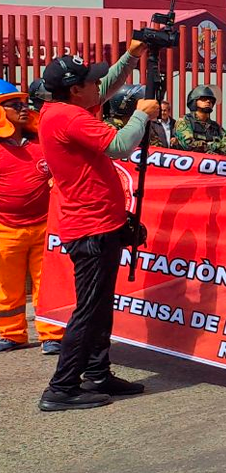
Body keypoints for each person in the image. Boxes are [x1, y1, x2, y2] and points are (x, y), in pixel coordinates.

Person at [38, 47, 159, 411]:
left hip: (101, 223)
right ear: (76, 90)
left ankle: (96, 372)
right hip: (90, 228)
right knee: (89, 308)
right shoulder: (70, 119)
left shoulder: (65, 109)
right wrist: (140, 116)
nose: (99, 85)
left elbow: (105, 86)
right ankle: (61, 388)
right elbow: (121, 146)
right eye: (90, 80)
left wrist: (131, 57)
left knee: (101, 304)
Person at [0, 80, 64, 355]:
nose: (24, 108)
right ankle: (12, 334)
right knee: (6, 288)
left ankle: (53, 335)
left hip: (44, 225)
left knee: (48, 285)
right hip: (5, 229)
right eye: (15, 105)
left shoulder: (42, 141)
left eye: (24, 103)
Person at [174, 85, 223, 153]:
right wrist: (212, 146)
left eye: (211, 100)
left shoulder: (215, 126)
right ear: (194, 101)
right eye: (203, 99)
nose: (208, 101)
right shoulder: (185, 121)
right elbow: (188, 144)